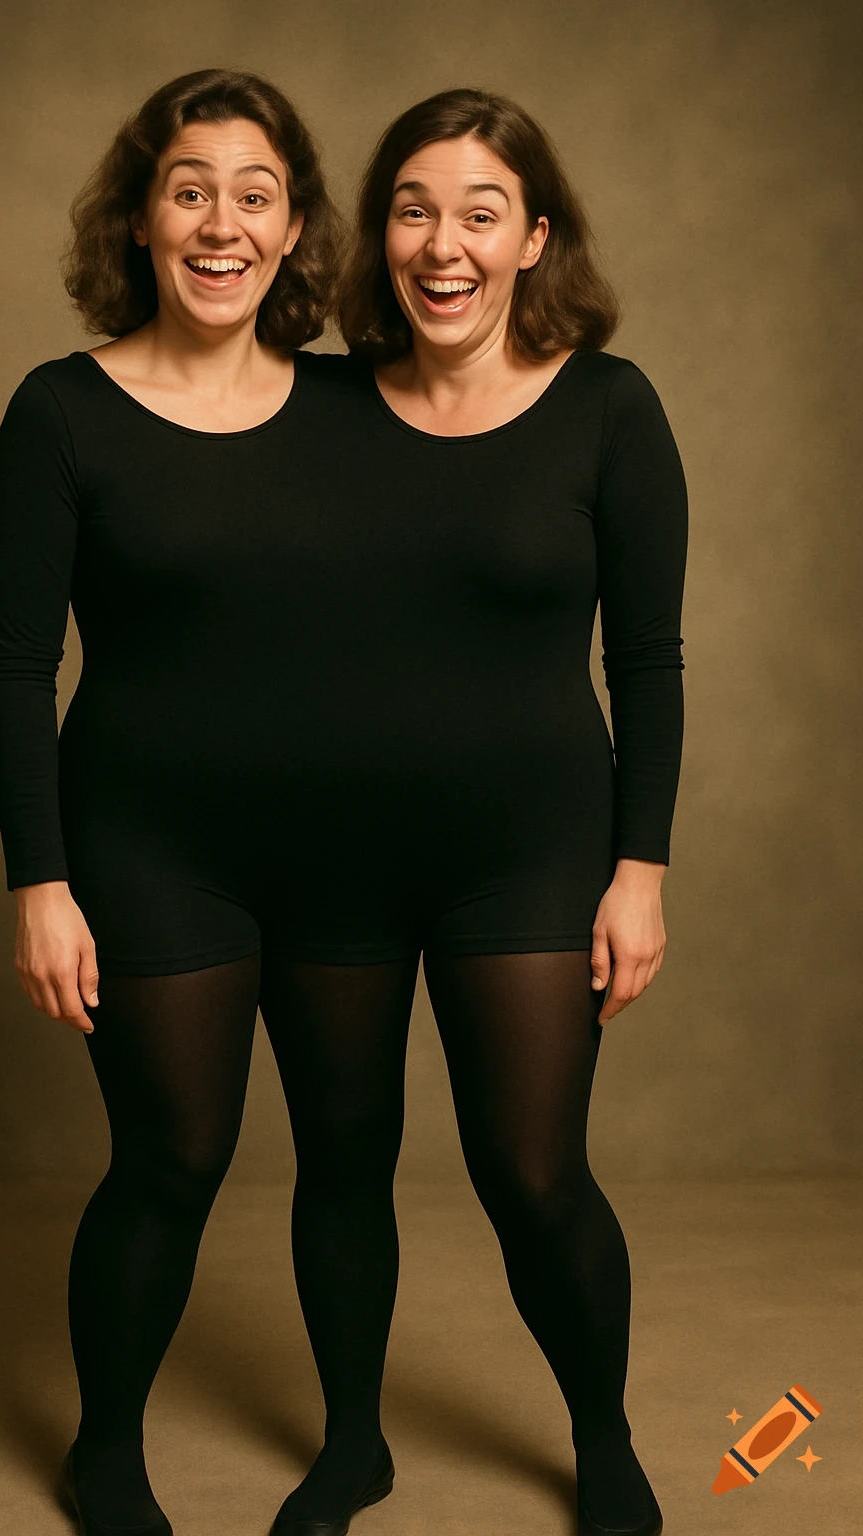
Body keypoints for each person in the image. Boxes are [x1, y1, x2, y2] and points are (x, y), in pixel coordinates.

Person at [259, 89, 688, 1536]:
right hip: (329, 855)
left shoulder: (610, 408)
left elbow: (648, 661)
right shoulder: (310, 405)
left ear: (535, 237)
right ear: (379, 233)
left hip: (531, 854)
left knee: (533, 1169)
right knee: (341, 1158)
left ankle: (602, 1438)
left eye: (480, 215)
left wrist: (639, 872)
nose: (443, 245)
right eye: (413, 209)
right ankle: (352, 1447)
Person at [0, 67, 347, 1536]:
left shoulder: (351, 409)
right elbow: (19, 671)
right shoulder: (59, 414)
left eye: (255, 195)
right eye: (190, 190)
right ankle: (106, 1447)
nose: (221, 223)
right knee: (175, 1157)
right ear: (139, 217)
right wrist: (39, 882)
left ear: (295, 228)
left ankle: (356, 1446)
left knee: (347, 1157)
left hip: (342, 856)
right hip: (144, 850)